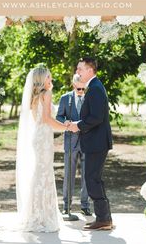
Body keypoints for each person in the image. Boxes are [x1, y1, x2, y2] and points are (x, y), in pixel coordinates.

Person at [0, 64, 67, 232]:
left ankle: (36, 213)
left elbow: (41, 119)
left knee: (41, 173)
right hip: (43, 138)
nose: (51, 80)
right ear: (42, 79)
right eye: (49, 77)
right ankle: (41, 215)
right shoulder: (47, 93)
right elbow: (47, 119)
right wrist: (66, 127)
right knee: (44, 173)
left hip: (39, 137)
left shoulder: (34, 96)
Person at [67, 57, 113, 231]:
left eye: (80, 69)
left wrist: (77, 125)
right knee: (95, 179)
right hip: (97, 141)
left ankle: (103, 219)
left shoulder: (94, 89)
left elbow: (96, 118)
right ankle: (105, 218)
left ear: (90, 70)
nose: (77, 72)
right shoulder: (94, 87)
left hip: (97, 142)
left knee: (92, 179)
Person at [56, 74, 91, 216]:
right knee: (69, 175)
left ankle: (85, 205)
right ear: (73, 85)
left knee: (86, 176)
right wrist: (65, 123)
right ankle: (66, 205)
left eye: (83, 88)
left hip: (88, 141)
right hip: (70, 141)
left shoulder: (90, 98)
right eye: (79, 88)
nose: (81, 91)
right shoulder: (65, 98)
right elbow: (59, 116)